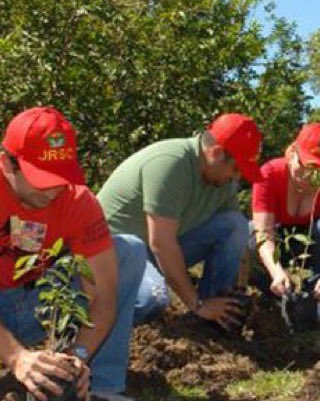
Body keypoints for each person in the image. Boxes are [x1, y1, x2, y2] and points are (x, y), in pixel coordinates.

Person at [0, 107, 147, 401]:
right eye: (40, 178)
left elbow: (103, 296)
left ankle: (98, 385)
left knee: (128, 251)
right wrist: (17, 357)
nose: (54, 189)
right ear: (7, 163)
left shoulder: (77, 199)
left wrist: (77, 358)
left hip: (38, 305)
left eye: (61, 177)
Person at [97, 114, 263, 331]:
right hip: (113, 252)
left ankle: (215, 319)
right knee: (152, 299)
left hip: (155, 249)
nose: (236, 178)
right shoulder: (171, 164)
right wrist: (197, 304)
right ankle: (93, 319)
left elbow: (235, 237)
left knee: (236, 224)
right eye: (236, 169)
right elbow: (162, 244)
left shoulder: (223, 182)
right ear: (217, 153)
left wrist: (239, 287)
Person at [252, 124, 320, 316]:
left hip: (313, 242)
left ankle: (317, 294)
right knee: (247, 238)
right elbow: (264, 235)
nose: (307, 175)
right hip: (278, 241)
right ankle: (276, 294)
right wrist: (276, 271)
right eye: (304, 165)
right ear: (293, 153)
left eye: (316, 169)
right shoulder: (268, 174)